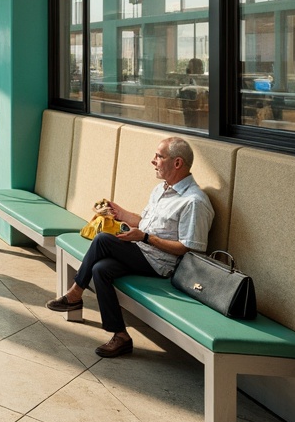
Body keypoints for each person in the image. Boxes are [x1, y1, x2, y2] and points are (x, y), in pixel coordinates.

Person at [45, 135, 213, 358]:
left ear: (177, 163)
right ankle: (120, 336)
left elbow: (189, 249)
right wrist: (121, 214)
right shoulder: (160, 190)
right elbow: (145, 223)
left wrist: (144, 238)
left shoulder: (194, 202)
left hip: (162, 265)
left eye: (159, 156)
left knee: (103, 239)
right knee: (100, 270)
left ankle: (75, 294)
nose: (153, 161)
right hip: (142, 252)